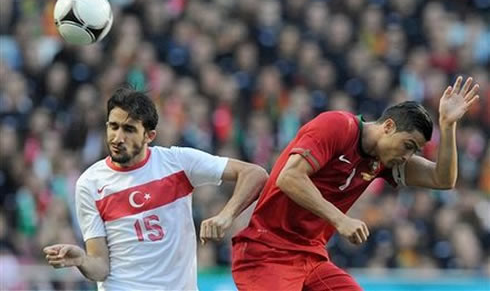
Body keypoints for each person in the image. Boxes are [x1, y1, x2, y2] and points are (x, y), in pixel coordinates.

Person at [231, 76, 480, 290]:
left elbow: (443, 179)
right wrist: (340, 219)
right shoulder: (337, 126)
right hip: (266, 252)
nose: (407, 156)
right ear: (389, 126)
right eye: (408, 146)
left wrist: (448, 127)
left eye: (414, 151)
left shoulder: (383, 160)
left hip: (310, 256)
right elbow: (289, 177)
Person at [43, 87, 268, 291]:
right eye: (113, 126)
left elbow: (255, 174)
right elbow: (100, 266)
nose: (118, 138)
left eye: (129, 129)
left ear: (149, 136)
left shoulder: (178, 163)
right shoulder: (90, 183)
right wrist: (82, 260)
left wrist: (226, 215)